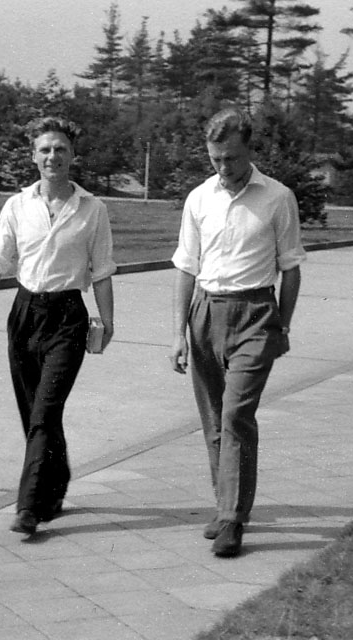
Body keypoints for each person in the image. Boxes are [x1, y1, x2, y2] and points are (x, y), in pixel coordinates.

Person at [0, 117, 116, 536]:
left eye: (61, 149)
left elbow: (102, 270)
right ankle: (55, 482)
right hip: (24, 314)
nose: (53, 157)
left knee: (45, 410)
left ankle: (29, 506)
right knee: (35, 414)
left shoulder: (93, 209)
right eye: (45, 150)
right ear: (33, 156)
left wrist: (106, 323)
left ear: (73, 156)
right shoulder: (17, 206)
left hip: (68, 317)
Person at [170, 107, 306, 557]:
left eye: (230, 158)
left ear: (249, 148)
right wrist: (177, 333)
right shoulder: (199, 198)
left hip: (255, 314)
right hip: (205, 314)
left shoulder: (277, 197)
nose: (223, 167)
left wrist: (281, 324)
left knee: (235, 416)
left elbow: (290, 269)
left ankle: (233, 518)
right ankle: (224, 503)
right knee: (213, 420)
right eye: (215, 159)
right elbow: (186, 269)